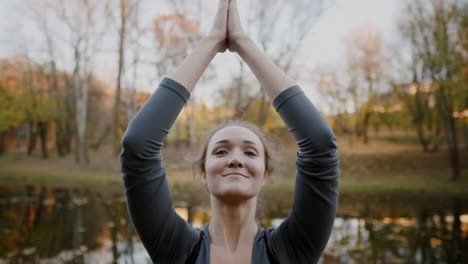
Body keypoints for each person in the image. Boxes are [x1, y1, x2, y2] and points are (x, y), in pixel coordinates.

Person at [119, 0, 339, 263]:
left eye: (250, 152)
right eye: (221, 150)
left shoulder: (291, 250)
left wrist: (242, 42)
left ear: (266, 173)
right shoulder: (177, 250)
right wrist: (212, 40)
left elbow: (320, 144)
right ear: (203, 171)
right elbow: (138, 146)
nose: (236, 159)